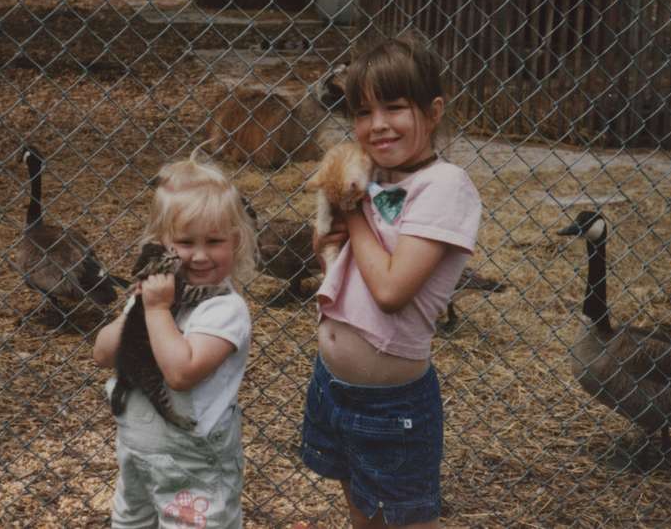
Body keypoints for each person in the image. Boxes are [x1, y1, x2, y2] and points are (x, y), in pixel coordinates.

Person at [301, 35, 482, 528]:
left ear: (434, 110)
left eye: (395, 107)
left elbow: (389, 292)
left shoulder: (443, 187)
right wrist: (331, 242)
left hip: (391, 405)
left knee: (402, 522)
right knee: (361, 515)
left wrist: (352, 208)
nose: (377, 124)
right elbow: (343, 273)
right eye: (363, 112)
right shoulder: (375, 177)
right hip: (333, 387)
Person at [93, 156, 257, 528]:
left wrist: (155, 311)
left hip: (194, 465)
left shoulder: (225, 310)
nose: (199, 255)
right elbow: (102, 354)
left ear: (235, 243)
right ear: (161, 244)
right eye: (185, 242)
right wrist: (139, 310)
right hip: (137, 451)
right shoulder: (154, 298)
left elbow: (180, 373)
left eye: (214, 242)